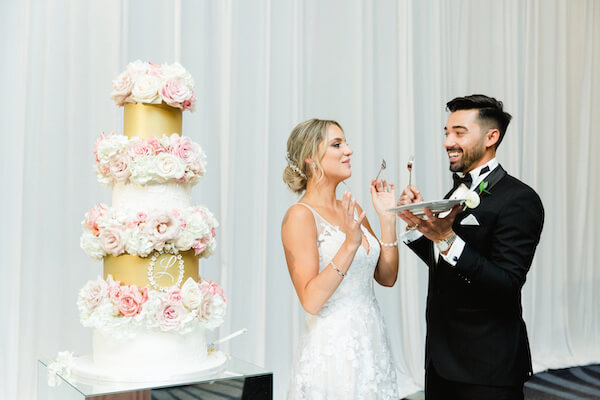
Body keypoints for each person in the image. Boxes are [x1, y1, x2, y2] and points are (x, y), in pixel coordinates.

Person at [397, 94, 544, 400]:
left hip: (486, 368)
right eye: (446, 132)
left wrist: (447, 238)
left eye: (459, 132)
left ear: (492, 136)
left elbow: (506, 283)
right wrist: (414, 225)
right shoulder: (458, 189)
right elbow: (451, 265)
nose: (448, 141)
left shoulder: (519, 199)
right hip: (441, 362)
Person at [282, 118, 399, 399]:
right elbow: (311, 301)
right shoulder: (300, 216)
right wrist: (349, 244)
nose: (349, 150)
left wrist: (387, 219)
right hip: (334, 346)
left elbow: (387, 277)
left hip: (371, 337)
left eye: (345, 143)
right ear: (310, 158)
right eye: (337, 144)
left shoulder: (351, 206)